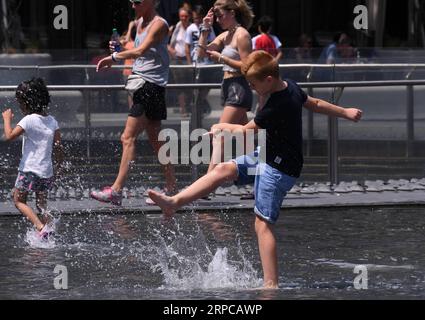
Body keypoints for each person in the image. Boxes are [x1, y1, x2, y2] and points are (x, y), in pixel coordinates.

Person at [148, 50, 363, 288]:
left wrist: (221, 126)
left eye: (253, 84)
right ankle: (174, 202)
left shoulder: (277, 105)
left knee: (262, 224)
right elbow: (315, 103)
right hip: (267, 157)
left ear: (268, 80)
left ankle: (271, 285)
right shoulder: (289, 85)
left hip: (278, 169)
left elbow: (243, 131)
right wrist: (344, 112)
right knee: (222, 170)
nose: (251, 88)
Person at [91, 0, 176, 206]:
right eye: (131, 1)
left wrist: (114, 57)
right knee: (157, 142)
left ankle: (117, 190)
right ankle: (172, 189)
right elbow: (135, 48)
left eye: (138, 2)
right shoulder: (138, 23)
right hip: (145, 85)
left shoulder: (159, 24)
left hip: (149, 85)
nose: (133, 5)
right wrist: (119, 48)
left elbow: (140, 51)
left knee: (127, 137)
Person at [2, 78, 64, 239]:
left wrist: (7, 118)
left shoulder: (28, 120)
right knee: (41, 204)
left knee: (18, 200)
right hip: (46, 171)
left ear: (27, 103)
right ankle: (50, 229)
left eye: (20, 103)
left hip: (29, 169)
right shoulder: (52, 121)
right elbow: (58, 147)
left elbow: (9, 136)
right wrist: (58, 166)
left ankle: (40, 227)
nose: (20, 107)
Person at [197, 0, 255, 173]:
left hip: (238, 87)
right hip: (229, 86)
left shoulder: (242, 35)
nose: (218, 20)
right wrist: (205, 29)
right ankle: (256, 179)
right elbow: (201, 53)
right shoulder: (225, 35)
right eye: (216, 17)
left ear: (232, 13)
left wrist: (223, 59)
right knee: (246, 137)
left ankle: (207, 183)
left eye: (221, 16)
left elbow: (247, 66)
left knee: (220, 134)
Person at [185, 5, 216, 115]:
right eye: (195, 18)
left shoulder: (209, 28)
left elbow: (213, 43)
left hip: (207, 63)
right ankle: (196, 105)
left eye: (198, 17)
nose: (197, 20)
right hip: (195, 62)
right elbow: (187, 47)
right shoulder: (190, 28)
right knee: (195, 86)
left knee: (207, 85)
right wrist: (189, 63)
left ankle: (201, 101)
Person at [168, 6, 192, 117]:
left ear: (189, 16)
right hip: (177, 59)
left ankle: (191, 107)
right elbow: (170, 43)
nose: (183, 18)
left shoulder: (193, 27)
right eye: (181, 16)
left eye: (185, 16)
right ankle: (183, 109)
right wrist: (172, 51)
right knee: (180, 84)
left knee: (190, 84)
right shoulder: (177, 26)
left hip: (189, 60)